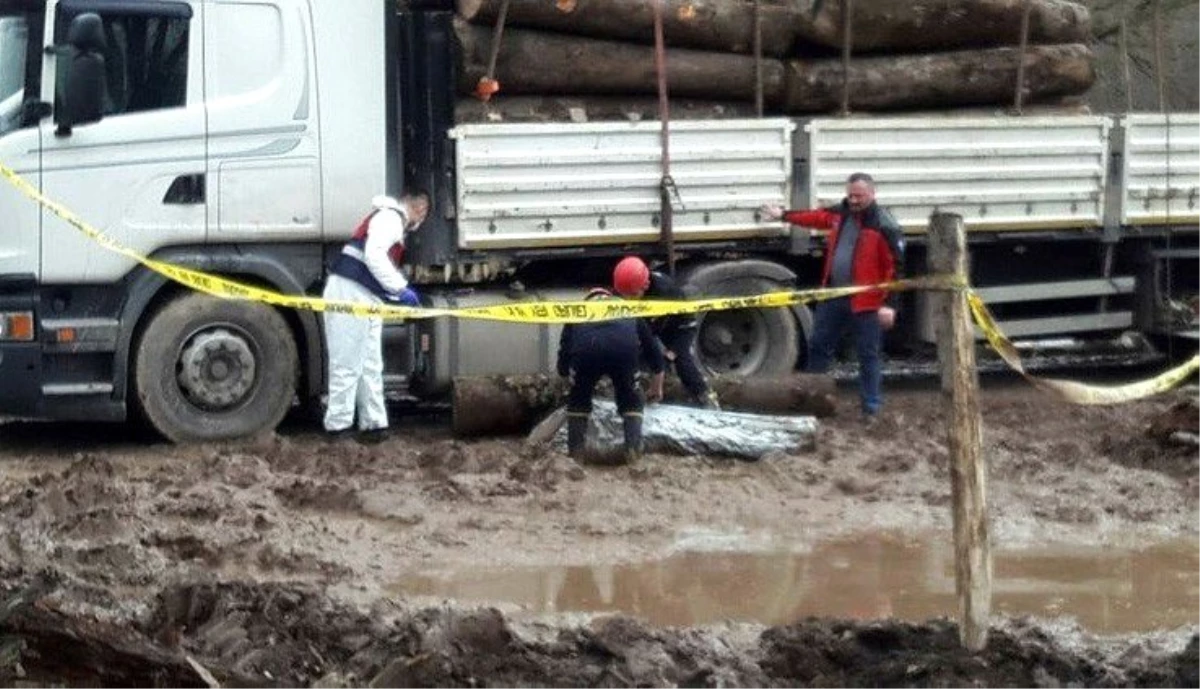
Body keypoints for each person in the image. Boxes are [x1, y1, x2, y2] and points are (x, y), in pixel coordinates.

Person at [761, 172, 903, 420]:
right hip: (835, 294)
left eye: (859, 196)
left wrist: (889, 304)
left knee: (867, 354)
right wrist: (783, 215)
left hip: (867, 302)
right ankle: (813, 401)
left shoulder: (884, 225)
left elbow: (896, 268)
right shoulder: (841, 213)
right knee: (819, 346)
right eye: (850, 195)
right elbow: (815, 217)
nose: (854, 200)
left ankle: (871, 408)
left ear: (872, 194)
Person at [323, 191, 430, 439]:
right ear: (418, 208)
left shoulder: (388, 219)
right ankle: (338, 427)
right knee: (347, 363)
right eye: (423, 212)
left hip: (361, 293)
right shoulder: (391, 219)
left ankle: (374, 424)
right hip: (351, 292)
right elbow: (374, 255)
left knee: (369, 363)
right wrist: (399, 287)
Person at [557, 288, 666, 461]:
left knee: (578, 399)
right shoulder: (627, 308)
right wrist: (656, 387)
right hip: (623, 353)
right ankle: (633, 451)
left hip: (587, 353)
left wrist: (566, 377)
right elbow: (653, 350)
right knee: (631, 399)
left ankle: (575, 455)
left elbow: (564, 350)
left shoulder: (577, 311)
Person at [611, 256, 719, 409]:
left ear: (646, 285)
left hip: (678, 327)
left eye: (633, 295)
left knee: (682, 362)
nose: (628, 299)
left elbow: (654, 335)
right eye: (625, 296)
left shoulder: (664, 292)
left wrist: (671, 351)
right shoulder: (626, 287)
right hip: (651, 323)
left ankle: (705, 397)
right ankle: (634, 393)